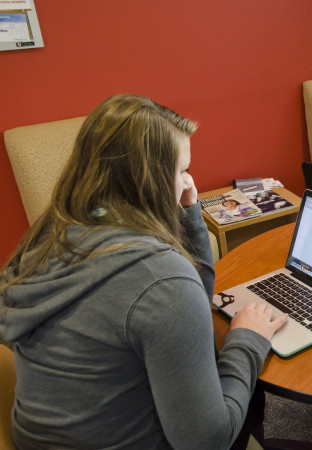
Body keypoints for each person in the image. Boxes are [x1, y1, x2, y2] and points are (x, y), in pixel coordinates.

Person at [0, 94, 288, 449]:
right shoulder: (162, 281)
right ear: (148, 181)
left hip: (40, 438)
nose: (187, 182)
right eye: (182, 171)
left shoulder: (48, 235)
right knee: (251, 392)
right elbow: (208, 441)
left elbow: (190, 295)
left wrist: (187, 210)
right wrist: (247, 341)